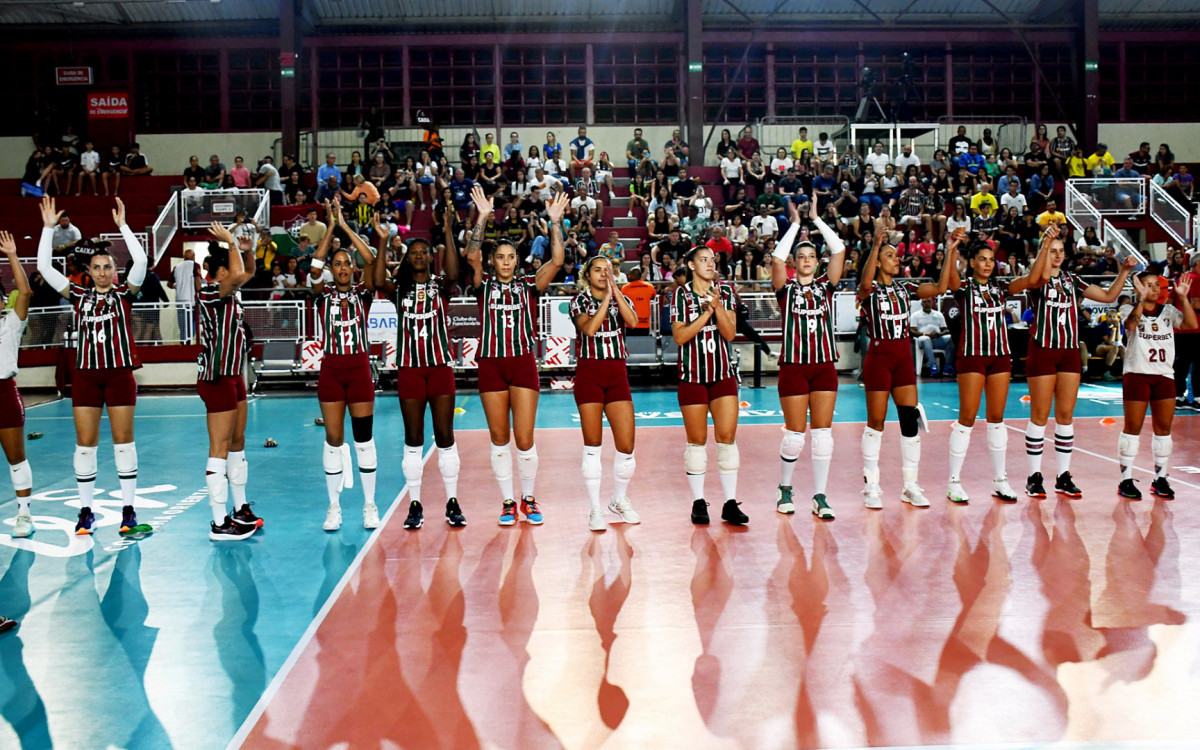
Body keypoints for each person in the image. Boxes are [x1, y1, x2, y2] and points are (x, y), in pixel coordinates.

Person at [36, 196, 148, 536]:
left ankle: (128, 510)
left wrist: (123, 227)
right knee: (85, 444)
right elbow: (43, 268)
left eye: (107, 267)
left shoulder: (124, 294)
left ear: (114, 270)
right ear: (89, 272)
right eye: (96, 268)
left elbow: (141, 259)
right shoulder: (78, 296)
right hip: (85, 376)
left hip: (119, 376)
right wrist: (47, 229)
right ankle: (86, 512)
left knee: (123, 442)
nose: (102, 272)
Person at [466, 186, 567, 525]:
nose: (506, 262)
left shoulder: (529, 285)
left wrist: (554, 223)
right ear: (493, 262)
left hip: (522, 363)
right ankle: (508, 502)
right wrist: (482, 217)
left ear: (517, 261)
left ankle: (529, 498)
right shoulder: (484, 286)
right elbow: (471, 256)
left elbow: (557, 261)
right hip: (491, 364)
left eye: (511, 257)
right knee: (499, 438)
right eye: (501, 257)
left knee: (524, 438)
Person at [1022, 227, 1136, 499]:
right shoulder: (1037, 279)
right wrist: (1044, 245)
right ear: (1043, 253)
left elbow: (1108, 298)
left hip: (1069, 352)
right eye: (1053, 251)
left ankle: (1063, 476)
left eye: (1061, 251)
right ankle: (1034, 477)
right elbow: (1035, 277)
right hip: (1042, 350)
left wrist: (1124, 272)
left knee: (1065, 416)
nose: (1058, 255)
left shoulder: (1073, 280)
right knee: (1039, 416)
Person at [856, 216, 959, 509]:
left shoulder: (905, 288)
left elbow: (939, 288)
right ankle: (872, 486)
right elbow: (864, 281)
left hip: (902, 359)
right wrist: (876, 244)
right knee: (875, 423)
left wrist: (950, 250)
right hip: (878, 358)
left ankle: (910, 486)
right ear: (877, 262)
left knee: (908, 419)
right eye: (890, 256)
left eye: (895, 256)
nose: (896, 259)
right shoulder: (868, 291)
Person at [372, 208, 466, 529]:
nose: (419, 256)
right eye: (413, 253)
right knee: (413, 438)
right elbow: (375, 279)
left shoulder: (441, 285)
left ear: (430, 257)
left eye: (424, 252)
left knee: (445, 436)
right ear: (408, 258)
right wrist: (383, 241)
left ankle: (452, 502)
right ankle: (415, 504)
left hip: (440, 368)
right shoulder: (398, 289)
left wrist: (449, 231)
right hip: (410, 370)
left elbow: (455, 273)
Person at [943, 236, 1040, 505]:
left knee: (997, 418)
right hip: (972, 356)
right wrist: (951, 250)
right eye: (982, 260)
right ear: (972, 262)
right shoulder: (964, 287)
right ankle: (954, 482)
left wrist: (1043, 247)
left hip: (999, 357)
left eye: (991, 260)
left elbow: (1031, 280)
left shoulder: (1000, 287)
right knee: (967, 418)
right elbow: (949, 280)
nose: (988, 264)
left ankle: (1000, 480)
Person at [771, 199, 845, 519]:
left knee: (823, 436)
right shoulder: (785, 290)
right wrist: (796, 225)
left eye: (811, 256)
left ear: (817, 262)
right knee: (794, 436)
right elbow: (776, 257)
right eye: (800, 257)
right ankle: (785, 488)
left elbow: (839, 250)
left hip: (824, 366)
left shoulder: (826, 288)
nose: (805, 260)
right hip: (794, 367)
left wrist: (817, 219)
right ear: (795, 263)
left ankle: (820, 496)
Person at [309, 198, 380, 531]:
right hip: (332, 372)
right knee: (334, 441)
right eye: (336, 263)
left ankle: (369, 505)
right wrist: (330, 226)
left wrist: (346, 225)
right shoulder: (322, 293)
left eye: (345, 264)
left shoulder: (362, 293)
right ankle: (334, 507)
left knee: (363, 440)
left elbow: (370, 258)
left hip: (359, 370)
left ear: (351, 270)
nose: (341, 268)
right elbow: (313, 265)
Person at [196, 224, 263, 540]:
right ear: (219, 272)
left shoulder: (231, 289)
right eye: (229, 268)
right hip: (217, 376)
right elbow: (238, 275)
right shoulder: (210, 291)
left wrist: (246, 249)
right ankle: (219, 521)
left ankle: (240, 509)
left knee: (238, 443)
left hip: (234, 374)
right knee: (219, 448)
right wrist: (232, 241)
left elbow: (245, 271)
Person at [673, 245, 747, 526]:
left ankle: (729, 503)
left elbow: (729, 334)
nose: (709, 264)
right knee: (697, 442)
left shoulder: (724, 293)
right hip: (692, 375)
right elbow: (680, 337)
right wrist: (706, 314)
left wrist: (717, 308)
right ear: (691, 266)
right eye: (703, 260)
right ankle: (698, 502)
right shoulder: (681, 294)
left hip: (721, 374)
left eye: (712, 260)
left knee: (727, 439)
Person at [571, 256, 641, 531]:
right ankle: (595, 509)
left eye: (608, 270)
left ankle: (619, 500)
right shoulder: (580, 300)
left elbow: (633, 322)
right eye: (598, 270)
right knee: (593, 446)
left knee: (626, 446)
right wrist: (605, 299)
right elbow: (589, 328)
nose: (603, 274)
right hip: (589, 374)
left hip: (617, 373)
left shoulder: (621, 296)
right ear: (587, 275)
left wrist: (616, 292)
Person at [1115, 272, 1196, 499]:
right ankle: (1125, 480)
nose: (1154, 290)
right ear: (1138, 288)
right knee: (1133, 428)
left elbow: (1191, 323)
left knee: (1163, 430)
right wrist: (1140, 300)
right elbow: (1130, 325)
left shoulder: (1169, 311)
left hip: (1163, 375)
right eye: (1148, 285)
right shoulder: (1127, 309)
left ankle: (1160, 478)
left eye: (1156, 286)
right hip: (1137, 374)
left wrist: (1183, 298)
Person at [0, 232, 33, 539]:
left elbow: (24, 292)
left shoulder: (11, 323)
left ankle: (24, 514)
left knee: (15, 457)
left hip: (4, 394)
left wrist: (12, 255)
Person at [910, 297, 954, 376]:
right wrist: (925, 334)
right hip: (922, 339)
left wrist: (939, 334)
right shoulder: (915, 315)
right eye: (925, 302)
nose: (927, 304)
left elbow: (945, 329)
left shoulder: (938, 314)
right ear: (921, 304)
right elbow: (912, 330)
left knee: (951, 338)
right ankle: (932, 366)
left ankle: (947, 367)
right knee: (926, 339)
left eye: (929, 302)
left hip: (937, 338)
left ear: (932, 303)